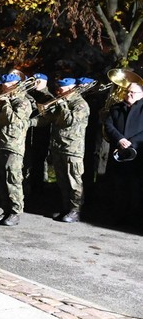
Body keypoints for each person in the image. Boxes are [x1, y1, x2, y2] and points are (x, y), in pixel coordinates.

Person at [37, 78, 90, 223]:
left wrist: (62, 105)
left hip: (73, 149)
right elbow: (50, 119)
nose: (58, 92)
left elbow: (69, 120)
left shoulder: (80, 104)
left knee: (74, 181)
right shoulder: (63, 101)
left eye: (61, 90)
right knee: (62, 181)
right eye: (58, 90)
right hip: (58, 146)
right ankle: (66, 207)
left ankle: (75, 210)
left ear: (70, 89)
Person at [0, 73, 33, 226]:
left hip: (14, 146)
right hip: (1, 143)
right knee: (1, 179)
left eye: (6, 86)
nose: (3, 89)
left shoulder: (23, 102)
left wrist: (6, 104)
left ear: (15, 85)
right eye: (3, 86)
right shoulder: (7, 101)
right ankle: (6, 210)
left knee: (13, 179)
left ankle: (15, 212)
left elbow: (12, 120)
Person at [102, 81, 143, 225]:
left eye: (133, 92)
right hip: (118, 152)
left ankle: (135, 217)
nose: (129, 94)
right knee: (118, 184)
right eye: (127, 91)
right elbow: (109, 125)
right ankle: (117, 215)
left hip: (138, 153)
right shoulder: (116, 107)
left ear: (141, 94)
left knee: (135, 185)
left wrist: (131, 142)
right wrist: (120, 139)